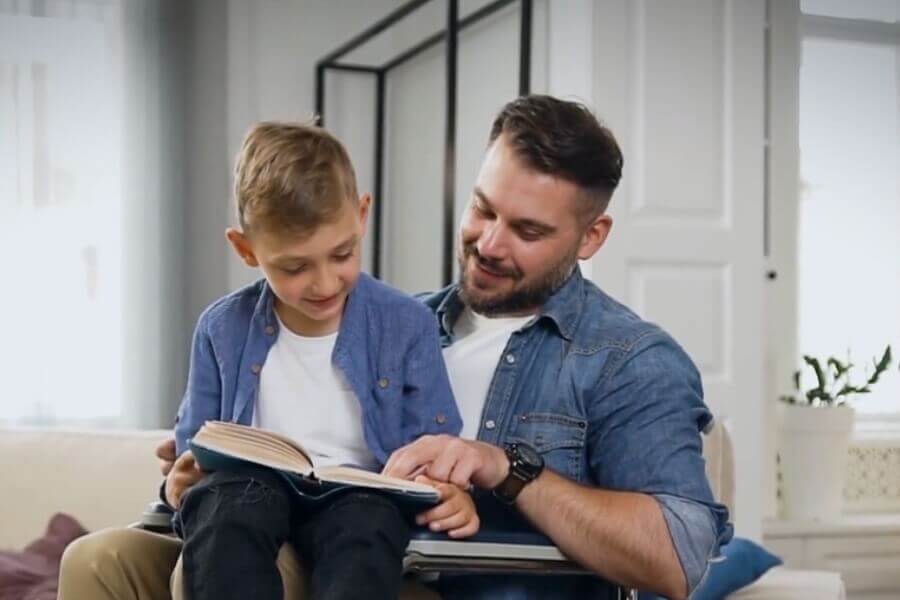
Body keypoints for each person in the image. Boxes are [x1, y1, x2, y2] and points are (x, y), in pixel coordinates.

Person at [60, 96, 729, 600]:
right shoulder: (397, 320)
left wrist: (504, 469)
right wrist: (190, 473)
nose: (490, 243)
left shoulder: (628, 359)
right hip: (299, 538)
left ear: (592, 237)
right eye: (482, 209)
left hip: (415, 577)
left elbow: (677, 555)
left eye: (526, 229)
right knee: (102, 560)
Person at [78, 121, 478, 600]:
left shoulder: (407, 324)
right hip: (249, 492)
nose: (325, 283)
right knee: (226, 504)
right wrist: (176, 485)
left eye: (342, 254)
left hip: (360, 499)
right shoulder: (220, 328)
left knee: (367, 522)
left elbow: (436, 448)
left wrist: (447, 489)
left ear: (362, 214)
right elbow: (194, 447)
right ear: (246, 249)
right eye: (294, 267)